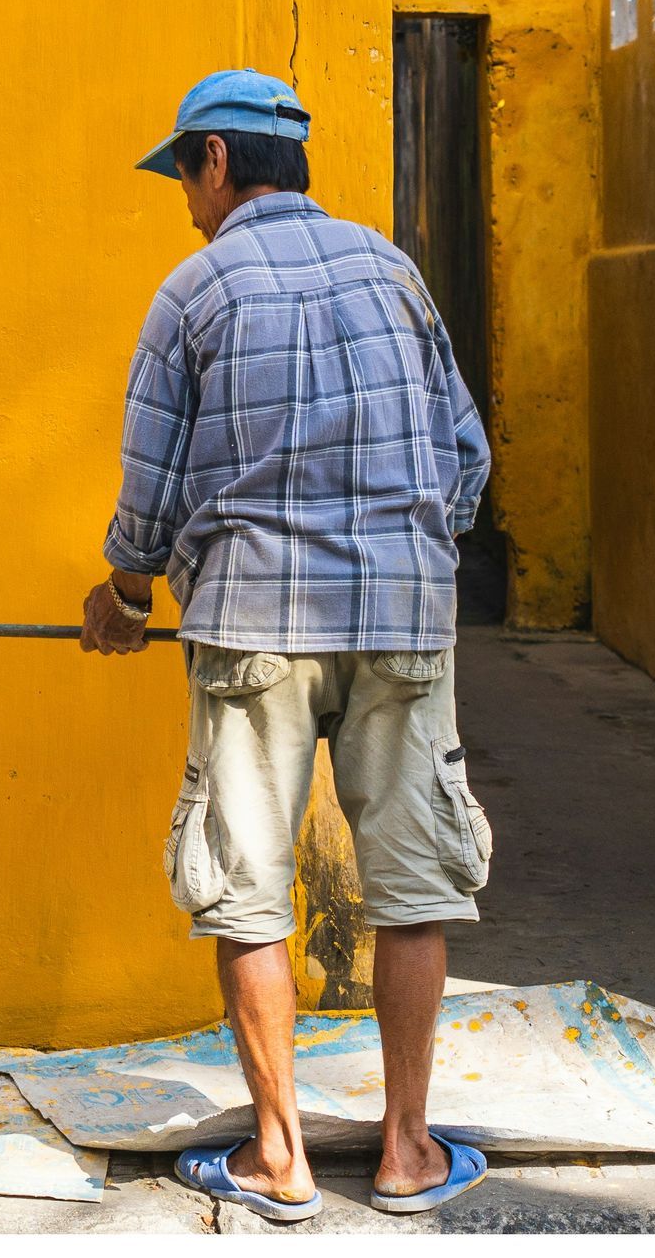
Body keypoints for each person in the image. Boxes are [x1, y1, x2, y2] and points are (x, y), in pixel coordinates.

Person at [80, 69, 494, 1223]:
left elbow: (150, 497)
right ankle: (408, 1151)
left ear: (217, 161)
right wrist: (410, 551)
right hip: (405, 620)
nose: (186, 200)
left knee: (250, 895)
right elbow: (464, 455)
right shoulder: (396, 273)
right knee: (410, 892)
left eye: (184, 176)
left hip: (254, 624)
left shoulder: (196, 293)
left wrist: (121, 594)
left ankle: (281, 1158)